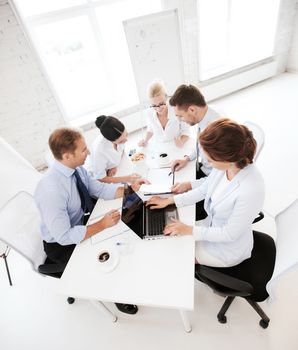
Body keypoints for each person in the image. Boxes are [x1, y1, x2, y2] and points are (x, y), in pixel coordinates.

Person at [35, 127, 146, 314]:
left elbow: (99, 189)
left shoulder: (77, 170)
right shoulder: (51, 190)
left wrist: (129, 189)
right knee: (106, 255)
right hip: (61, 244)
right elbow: (63, 236)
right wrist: (101, 225)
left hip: (80, 222)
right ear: (67, 155)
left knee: (121, 233)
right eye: (84, 149)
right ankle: (116, 296)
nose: (89, 152)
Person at [146, 118, 265, 268]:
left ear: (227, 158)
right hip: (212, 228)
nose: (208, 163)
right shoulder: (228, 166)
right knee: (175, 239)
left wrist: (188, 230)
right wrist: (171, 201)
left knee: (177, 256)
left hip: (226, 249)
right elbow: (204, 189)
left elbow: (229, 234)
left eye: (210, 160)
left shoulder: (251, 190)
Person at [168, 84, 221, 220]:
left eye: (180, 116)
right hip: (205, 172)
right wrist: (187, 158)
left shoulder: (215, 133)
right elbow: (199, 146)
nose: (181, 121)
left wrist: (189, 185)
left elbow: (218, 179)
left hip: (213, 184)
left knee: (177, 212)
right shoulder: (205, 118)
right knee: (172, 188)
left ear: (191, 109)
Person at [85, 115, 141, 184]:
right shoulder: (100, 150)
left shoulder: (119, 136)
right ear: (109, 140)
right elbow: (100, 178)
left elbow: (121, 150)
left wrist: (114, 166)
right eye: (121, 141)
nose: (126, 140)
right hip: (99, 177)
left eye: (126, 134)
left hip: (113, 168)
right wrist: (127, 178)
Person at [138, 80, 190, 147]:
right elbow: (151, 129)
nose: (158, 108)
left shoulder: (176, 109)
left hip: (176, 146)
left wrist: (181, 141)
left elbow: (186, 131)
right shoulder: (149, 112)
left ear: (166, 97)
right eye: (154, 105)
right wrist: (145, 140)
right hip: (160, 148)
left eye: (161, 104)